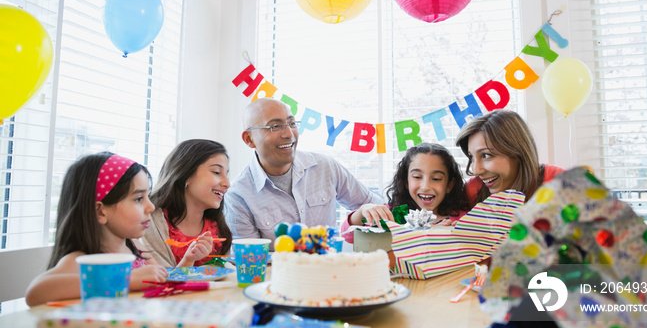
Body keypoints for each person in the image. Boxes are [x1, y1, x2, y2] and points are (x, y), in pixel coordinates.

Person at [224, 98, 384, 242]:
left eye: (292, 123)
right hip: (278, 275)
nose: (288, 134)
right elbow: (251, 261)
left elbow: (373, 206)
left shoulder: (324, 166)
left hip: (332, 270)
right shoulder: (238, 196)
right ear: (249, 139)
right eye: (275, 127)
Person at [25, 153, 168, 307]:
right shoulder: (83, 261)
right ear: (100, 212)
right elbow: (35, 292)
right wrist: (126, 280)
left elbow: (161, 276)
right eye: (138, 199)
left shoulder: (135, 247)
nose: (151, 207)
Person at [341, 143, 470, 243]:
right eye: (417, 177)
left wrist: (462, 233)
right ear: (406, 182)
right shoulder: (389, 215)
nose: (425, 187)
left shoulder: (464, 219)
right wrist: (362, 211)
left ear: (449, 185)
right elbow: (348, 236)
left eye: (436, 179)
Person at [141, 139, 233, 267]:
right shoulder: (149, 223)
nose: (227, 184)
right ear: (186, 175)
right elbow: (161, 279)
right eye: (216, 172)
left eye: (226, 174)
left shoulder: (218, 228)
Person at [455, 110, 564, 209]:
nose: (476, 171)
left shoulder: (562, 184)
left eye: (486, 155)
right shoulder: (474, 189)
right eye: (472, 157)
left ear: (518, 152)